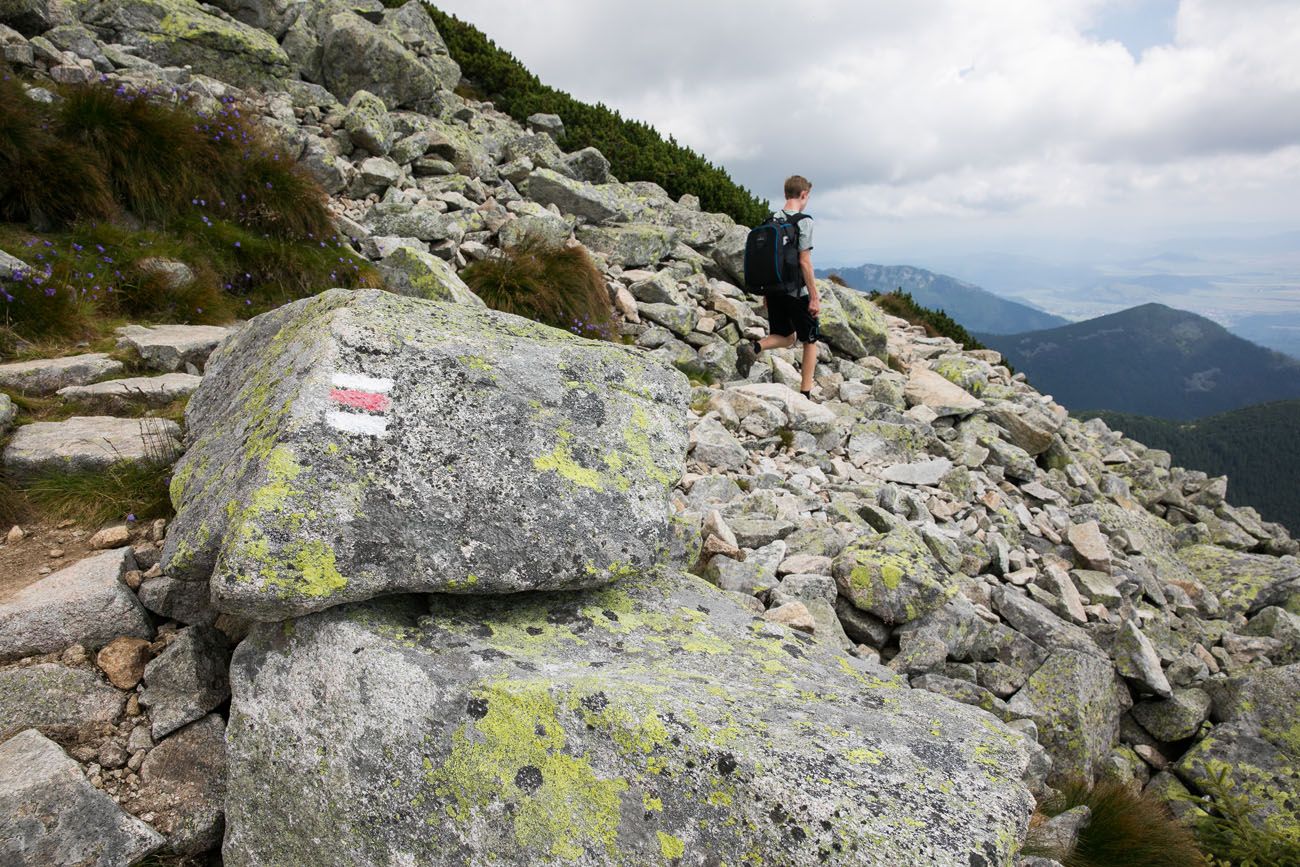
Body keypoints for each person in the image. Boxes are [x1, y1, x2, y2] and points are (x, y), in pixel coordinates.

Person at [737, 175, 821, 399]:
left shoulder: (770, 220)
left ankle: (754, 348)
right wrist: (814, 296)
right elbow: (804, 261)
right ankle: (805, 393)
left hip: (774, 289)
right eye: (807, 197)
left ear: (786, 194)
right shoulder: (804, 221)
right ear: (803, 195)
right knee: (810, 340)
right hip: (796, 291)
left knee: (785, 336)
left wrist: (767, 291)